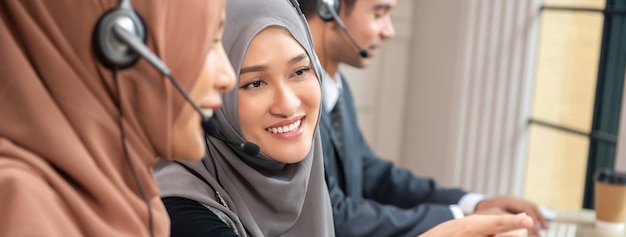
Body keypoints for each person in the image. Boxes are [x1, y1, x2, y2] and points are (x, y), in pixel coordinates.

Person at [298, 0, 548, 236]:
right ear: (328, 7)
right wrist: (460, 220)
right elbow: (332, 215)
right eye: (379, 13)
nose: (390, 31)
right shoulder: (296, 107)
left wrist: (475, 205)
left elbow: (375, 175)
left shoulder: (336, 89)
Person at [0, 0, 234, 236]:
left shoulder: (131, 194)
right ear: (120, 44)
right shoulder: (22, 208)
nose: (228, 77)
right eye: (209, 43)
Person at [154, 0, 334, 236]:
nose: (289, 105)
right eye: (255, 83)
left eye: (300, 71)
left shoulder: (306, 173)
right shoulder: (181, 215)